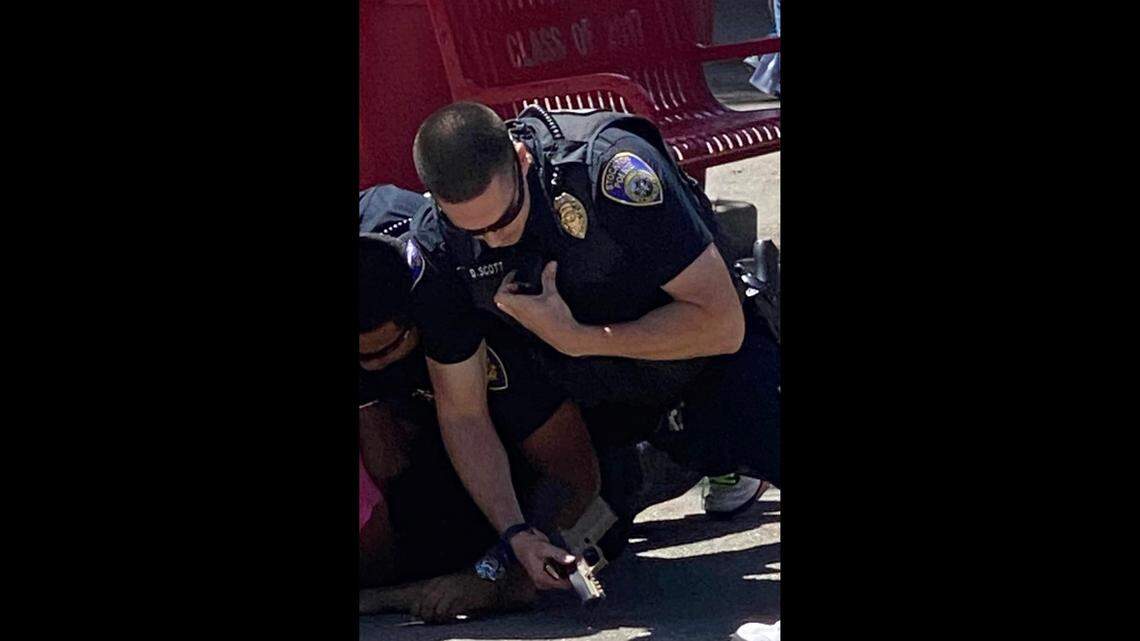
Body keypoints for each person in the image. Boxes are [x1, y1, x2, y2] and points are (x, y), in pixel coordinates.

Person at [406, 102, 781, 591]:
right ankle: (658, 463)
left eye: (504, 219)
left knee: (751, 422)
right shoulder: (437, 246)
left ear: (521, 159)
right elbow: (463, 413)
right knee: (576, 555)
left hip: (702, 366)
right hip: (600, 407)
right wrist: (516, 533)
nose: (494, 242)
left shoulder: (608, 171)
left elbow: (721, 325)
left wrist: (578, 339)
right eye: (473, 230)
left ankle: (714, 445)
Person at [356, 185, 601, 621]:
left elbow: (576, 476)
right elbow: (387, 463)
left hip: (575, 433)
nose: (370, 368)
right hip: (431, 432)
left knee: (590, 521)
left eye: (380, 355)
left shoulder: (471, 325)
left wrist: (491, 573)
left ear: (414, 328)